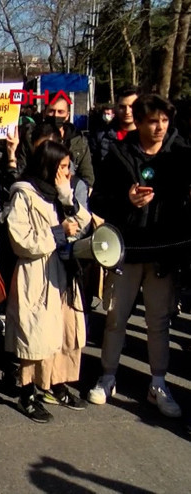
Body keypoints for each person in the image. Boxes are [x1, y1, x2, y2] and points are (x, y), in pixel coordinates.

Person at [87, 94, 190, 417]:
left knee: (158, 322)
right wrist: (126, 200)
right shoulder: (119, 154)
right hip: (127, 249)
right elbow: (99, 202)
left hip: (164, 252)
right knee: (116, 317)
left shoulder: (181, 154)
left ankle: (158, 382)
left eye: (163, 121)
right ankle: (107, 376)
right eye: (152, 121)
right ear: (140, 122)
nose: (159, 127)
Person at [5, 141, 91, 423]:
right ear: (50, 166)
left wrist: (68, 196)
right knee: (34, 336)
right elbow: (20, 241)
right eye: (63, 167)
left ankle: (54, 384)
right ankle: (27, 393)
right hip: (38, 272)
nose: (68, 172)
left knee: (65, 333)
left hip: (65, 274)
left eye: (69, 167)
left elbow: (84, 222)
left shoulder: (61, 194)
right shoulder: (25, 194)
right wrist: (57, 233)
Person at [92, 87, 139, 174]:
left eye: (131, 106)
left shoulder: (147, 136)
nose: (127, 111)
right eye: (122, 107)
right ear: (116, 107)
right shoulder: (101, 135)